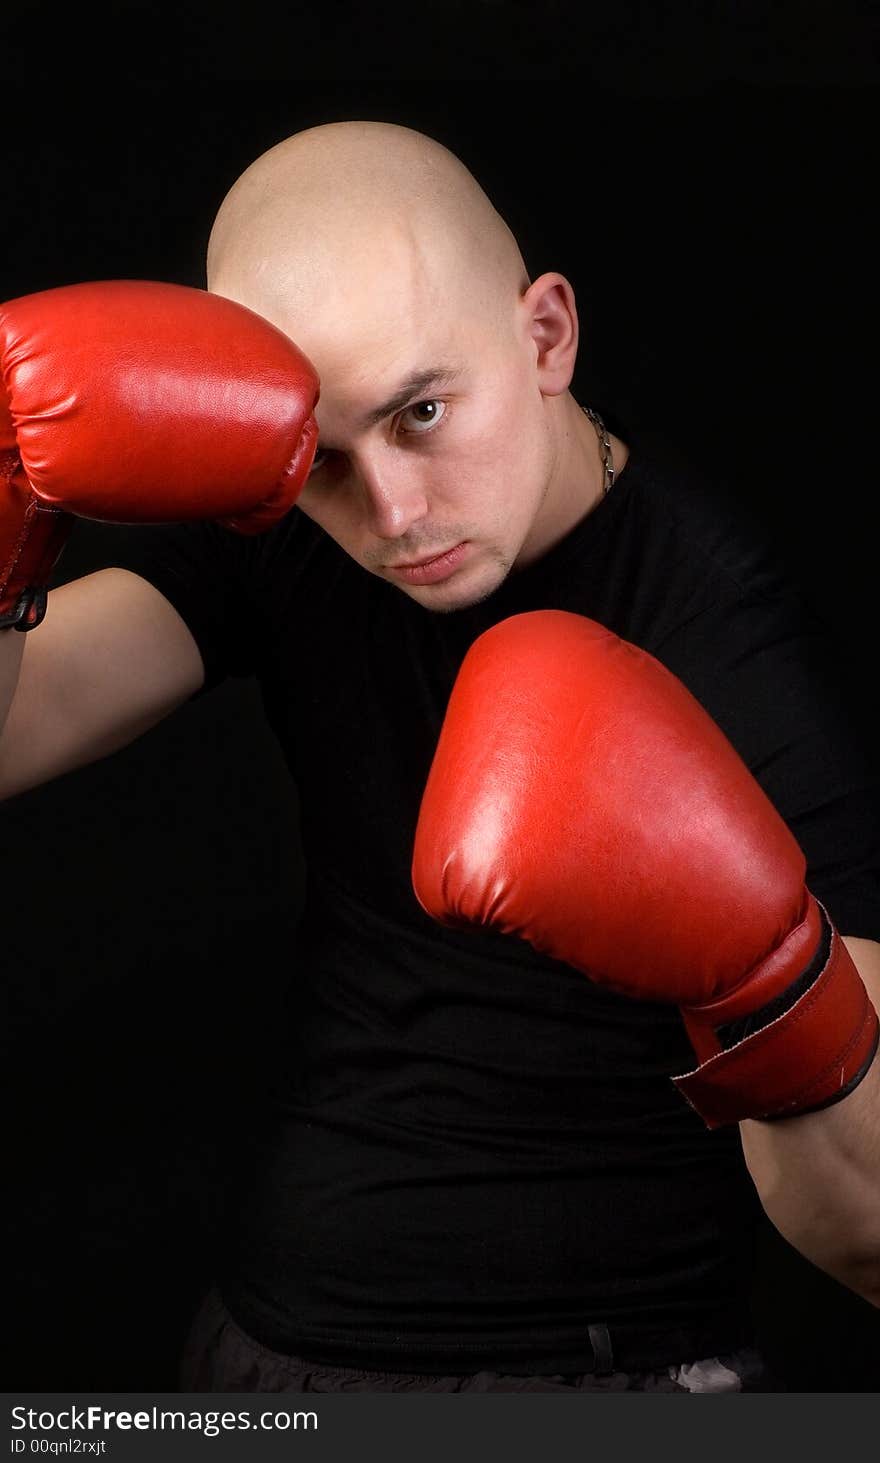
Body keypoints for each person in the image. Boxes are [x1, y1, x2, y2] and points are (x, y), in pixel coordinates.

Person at [2, 120, 878, 1395]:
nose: (391, 515)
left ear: (545, 337)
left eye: (422, 411)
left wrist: (765, 969)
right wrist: (8, 507)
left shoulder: (716, 634)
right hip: (264, 1355)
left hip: (592, 1381)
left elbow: (867, 1232)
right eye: (325, 460)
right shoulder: (287, 523)